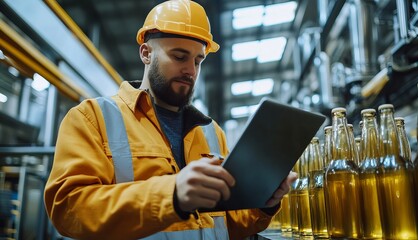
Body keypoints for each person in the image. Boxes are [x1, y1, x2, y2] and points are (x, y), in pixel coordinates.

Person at [44, 0, 298, 239]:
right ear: (146, 53)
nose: (190, 70)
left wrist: (263, 204)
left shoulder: (211, 132)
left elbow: (229, 224)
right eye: (179, 57)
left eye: (198, 60)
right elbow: (68, 209)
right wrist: (171, 195)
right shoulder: (92, 118)